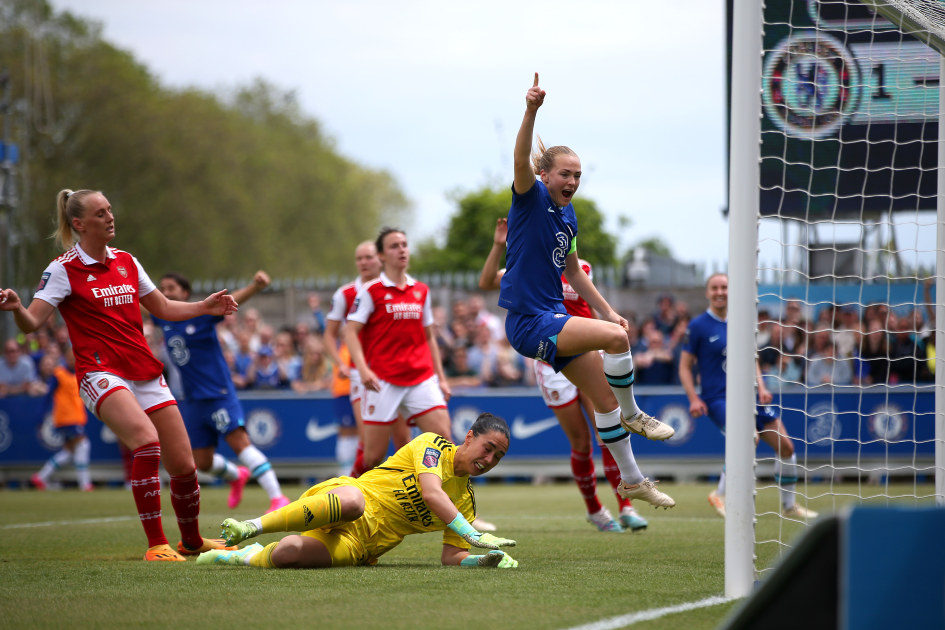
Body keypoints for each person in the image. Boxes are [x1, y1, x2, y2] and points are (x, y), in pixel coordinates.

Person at [0, 188, 238, 561]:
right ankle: (156, 543)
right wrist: (16, 307)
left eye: (110, 210)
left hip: (141, 369)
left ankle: (191, 540)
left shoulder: (127, 260)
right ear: (79, 224)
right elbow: (31, 323)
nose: (110, 217)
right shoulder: (62, 269)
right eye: (100, 213)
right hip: (100, 372)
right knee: (145, 441)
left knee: (185, 464)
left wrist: (203, 307)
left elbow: (161, 307)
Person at [495, 74, 675, 509]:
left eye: (577, 174)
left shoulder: (569, 217)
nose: (572, 180)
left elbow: (575, 273)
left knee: (604, 401)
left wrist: (609, 310)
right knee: (617, 342)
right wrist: (531, 110)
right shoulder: (530, 196)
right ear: (544, 175)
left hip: (551, 318)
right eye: (564, 173)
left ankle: (631, 481)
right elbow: (519, 157)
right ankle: (636, 416)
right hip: (529, 321)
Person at [480, 217, 648, 532]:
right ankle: (595, 510)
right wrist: (498, 245)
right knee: (581, 442)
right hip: (550, 361)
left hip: (585, 354)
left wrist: (608, 327)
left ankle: (626, 506)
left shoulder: (581, 268)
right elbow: (487, 282)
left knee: (606, 432)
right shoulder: (528, 266)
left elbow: (590, 309)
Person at [196, 413, 518, 569]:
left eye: (498, 457)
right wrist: (472, 533)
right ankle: (250, 527)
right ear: (469, 436)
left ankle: (239, 556)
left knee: (288, 553)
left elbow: (451, 557)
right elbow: (432, 493)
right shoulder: (433, 445)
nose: (489, 460)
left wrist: (480, 560)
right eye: (487, 448)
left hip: (363, 544)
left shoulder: (466, 502)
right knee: (353, 502)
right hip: (346, 497)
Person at [678, 272, 818, 520]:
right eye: (715, 288)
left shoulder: (742, 321)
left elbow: (752, 359)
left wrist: (762, 387)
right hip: (718, 398)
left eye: (724, 287)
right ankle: (720, 494)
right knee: (748, 438)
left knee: (786, 446)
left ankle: (789, 505)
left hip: (749, 396)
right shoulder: (697, 326)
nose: (720, 292)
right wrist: (693, 398)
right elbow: (684, 366)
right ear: (707, 293)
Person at [154, 271, 290, 513]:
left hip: (217, 393)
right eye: (163, 288)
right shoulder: (163, 318)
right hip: (193, 399)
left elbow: (228, 302)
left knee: (241, 445)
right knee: (202, 462)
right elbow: (141, 303)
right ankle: (237, 475)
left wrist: (255, 286)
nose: (166, 292)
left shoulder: (201, 314)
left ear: (185, 293)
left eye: (172, 288)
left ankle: (278, 498)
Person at [344, 228, 453, 473]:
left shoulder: (421, 290)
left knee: (446, 443)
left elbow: (429, 338)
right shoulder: (371, 291)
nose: (402, 249)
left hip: (421, 379)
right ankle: (346, 497)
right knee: (373, 457)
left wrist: (441, 380)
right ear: (381, 255)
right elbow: (350, 332)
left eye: (404, 244)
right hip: (383, 381)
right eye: (394, 246)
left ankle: (454, 510)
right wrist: (363, 370)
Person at [31, 345, 93, 491]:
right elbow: (47, 397)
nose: (73, 360)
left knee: (69, 452)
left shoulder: (77, 373)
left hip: (77, 417)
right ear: (65, 357)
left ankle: (40, 477)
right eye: (71, 357)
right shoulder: (58, 374)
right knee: (83, 445)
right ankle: (85, 484)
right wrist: (40, 416)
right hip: (66, 419)